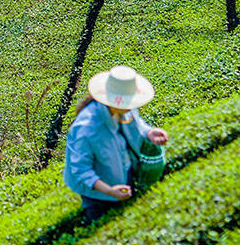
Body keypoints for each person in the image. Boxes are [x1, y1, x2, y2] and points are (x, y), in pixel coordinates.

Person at [64, 65, 169, 224]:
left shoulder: (124, 109)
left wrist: (149, 133)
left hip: (123, 172)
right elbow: (80, 169)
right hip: (98, 194)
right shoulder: (86, 129)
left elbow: (137, 124)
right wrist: (109, 190)